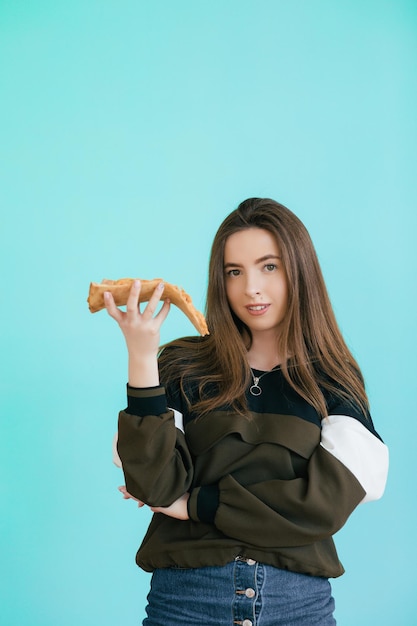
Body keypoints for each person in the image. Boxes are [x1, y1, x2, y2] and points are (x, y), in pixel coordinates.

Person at [104, 198, 389, 626]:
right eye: (233, 271)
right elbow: (153, 484)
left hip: (297, 607)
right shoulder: (182, 365)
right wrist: (141, 357)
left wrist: (195, 504)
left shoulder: (332, 379)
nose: (250, 287)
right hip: (186, 603)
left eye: (268, 267)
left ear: (299, 270)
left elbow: (321, 506)